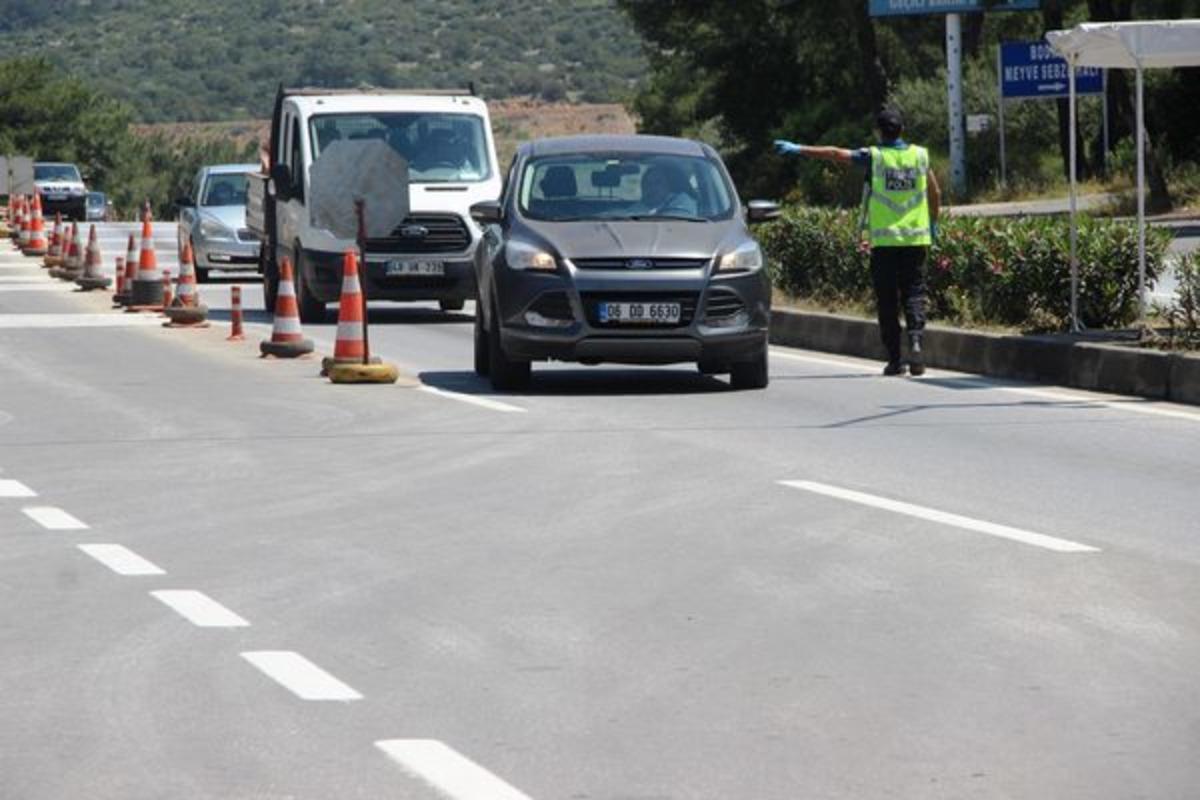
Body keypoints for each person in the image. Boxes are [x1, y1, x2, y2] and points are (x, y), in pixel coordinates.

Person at [774, 108, 940, 376]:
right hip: (915, 239)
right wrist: (934, 222)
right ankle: (916, 340)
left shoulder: (874, 157)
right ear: (902, 129)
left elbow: (835, 153)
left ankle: (895, 359)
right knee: (914, 292)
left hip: (884, 243)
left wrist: (799, 149)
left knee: (887, 300)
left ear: (878, 132)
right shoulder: (920, 155)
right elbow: (935, 191)